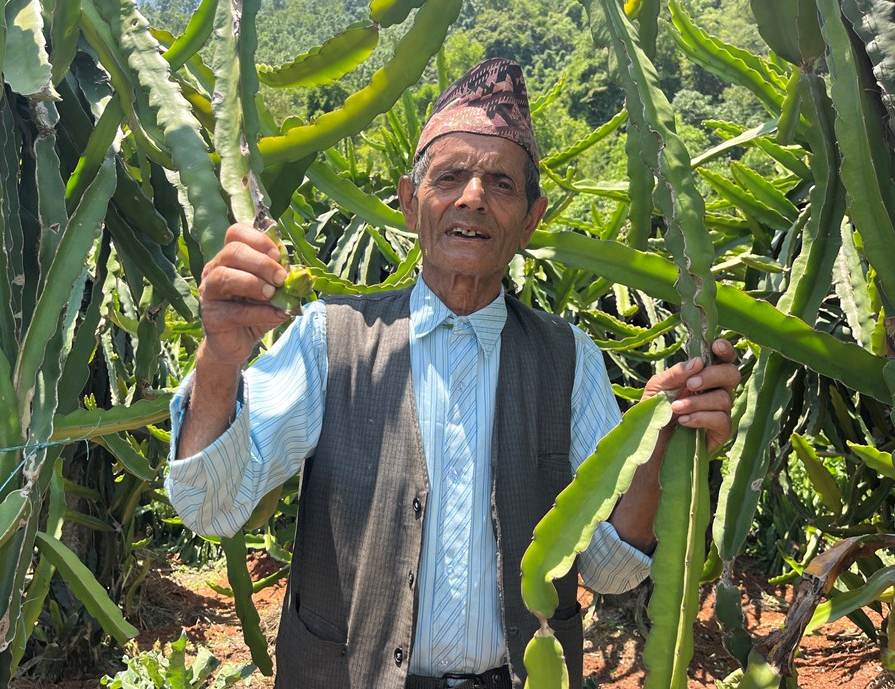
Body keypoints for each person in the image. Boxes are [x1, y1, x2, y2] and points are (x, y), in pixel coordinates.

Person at [166, 58, 740, 689]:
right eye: (450, 177)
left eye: (501, 183)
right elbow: (209, 505)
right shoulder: (327, 338)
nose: (472, 196)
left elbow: (610, 571)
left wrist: (656, 444)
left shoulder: (568, 359)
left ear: (531, 219)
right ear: (411, 205)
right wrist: (221, 360)